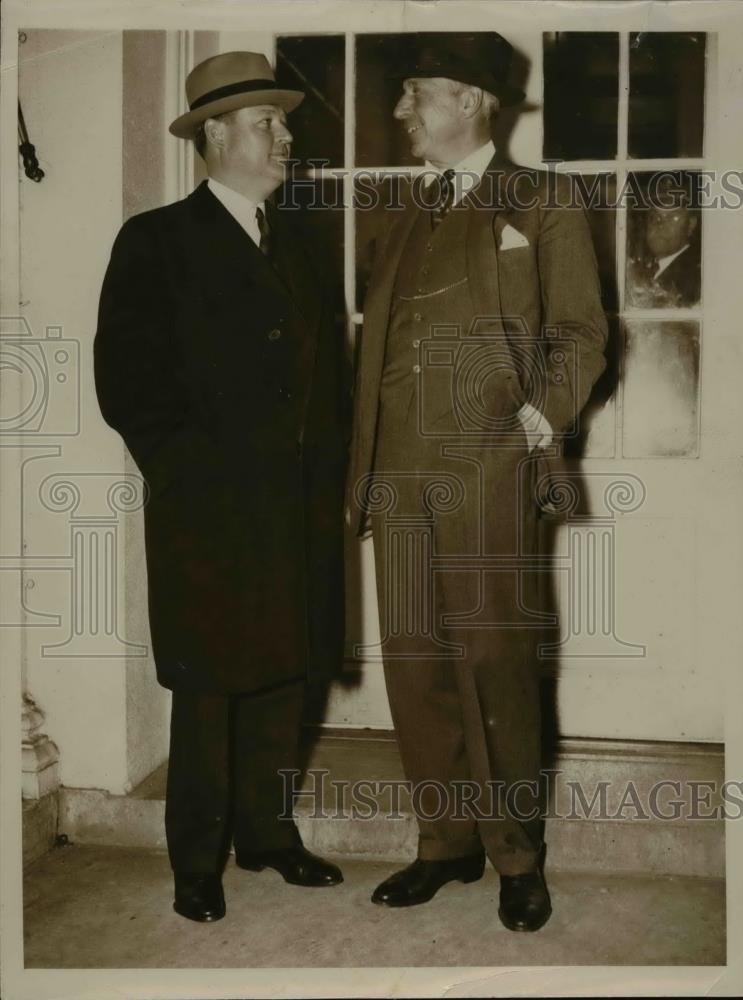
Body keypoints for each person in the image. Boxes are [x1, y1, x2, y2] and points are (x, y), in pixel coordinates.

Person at [347, 32, 608, 931]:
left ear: (467, 101)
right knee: (415, 663)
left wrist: (540, 415)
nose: (399, 112)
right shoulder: (402, 210)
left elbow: (579, 329)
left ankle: (516, 856)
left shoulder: (541, 197)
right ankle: (444, 844)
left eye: (412, 94)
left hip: (488, 467)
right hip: (397, 472)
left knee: (495, 662)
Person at [94, 51, 348, 923]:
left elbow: (329, 384)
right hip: (207, 510)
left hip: (294, 508)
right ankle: (195, 861)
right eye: (265, 123)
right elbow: (128, 383)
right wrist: (187, 479)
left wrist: (332, 486)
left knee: (284, 673)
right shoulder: (157, 239)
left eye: (283, 123)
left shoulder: (305, 242)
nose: (284, 138)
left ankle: (269, 837)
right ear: (213, 135)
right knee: (208, 685)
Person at [627, 180, 701, 307]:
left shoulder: (695, 278)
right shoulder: (644, 270)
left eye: (672, 217)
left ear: (691, 225)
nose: (659, 224)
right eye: (653, 217)